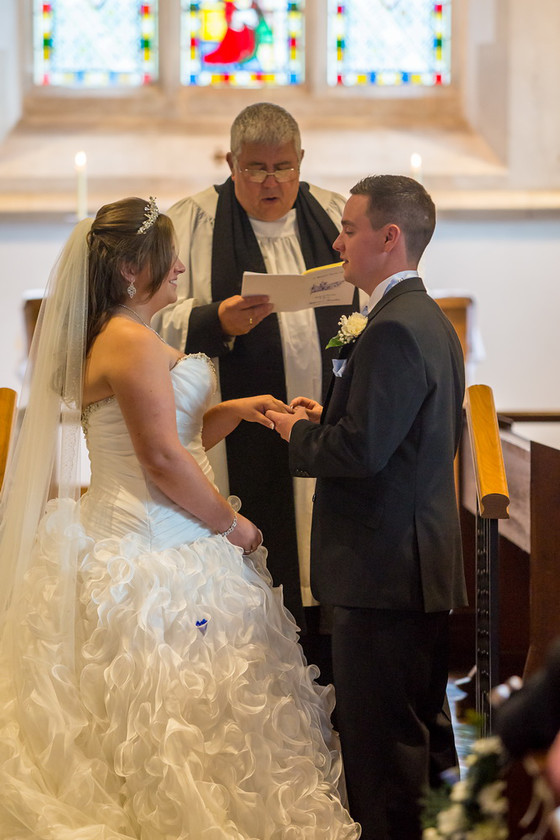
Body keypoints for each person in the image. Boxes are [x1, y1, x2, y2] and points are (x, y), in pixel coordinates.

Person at [0, 196, 360, 839]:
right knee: (177, 723)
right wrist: (234, 526)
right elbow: (163, 461)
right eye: (168, 262)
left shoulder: (117, 336)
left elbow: (175, 436)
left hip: (132, 526)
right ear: (134, 270)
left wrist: (237, 408)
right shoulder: (132, 342)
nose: (180, 273)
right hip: (154, 547)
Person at [268, 175, 467, 840]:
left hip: (382, 573)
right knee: (418, 743)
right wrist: (335, 416)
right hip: (406, 568)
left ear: (389, 237)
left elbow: (360, 455)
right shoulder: (421, 319)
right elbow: (392, 434)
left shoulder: (393, 330)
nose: (335, 240)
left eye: (349, 229)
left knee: (383, 759)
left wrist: (294, 431)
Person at [153, 103, 359, 667]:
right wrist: (216, 320)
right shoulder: (190, 223)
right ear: (231, 163)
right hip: (238, 433)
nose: (272, 181)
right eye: (256, 168)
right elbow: (148, 316)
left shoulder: (337, 216)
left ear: (301, 161)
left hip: (322, 426)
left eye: (284, 167)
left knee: (320, 571)